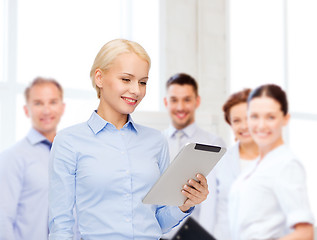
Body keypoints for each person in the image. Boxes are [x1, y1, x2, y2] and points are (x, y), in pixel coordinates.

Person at [48, 39, 209, 240]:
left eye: (143, 82)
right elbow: (60, 226)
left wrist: (185, 204)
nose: (136, 90)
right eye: (126, 79)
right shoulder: (69, 141)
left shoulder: (156, 141)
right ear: (99, 78)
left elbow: (158, 222)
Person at [228, 84, 314, 239]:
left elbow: (305, 233)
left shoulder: (286, 164)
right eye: (254, 116)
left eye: (270, 117)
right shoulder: (256, 166)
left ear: (285, 118)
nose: (261, 125)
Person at [161, 73, 225, 239]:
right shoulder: (156, 142)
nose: (180, 107)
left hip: (195, 236)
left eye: (187, 99)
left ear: (197, 101)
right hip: (160, 234)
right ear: (166, 102)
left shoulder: (214, 143)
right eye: (174, 100)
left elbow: (218, 199)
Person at [0, 77, 65, 240]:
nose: (46, 110)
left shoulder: (70, 155)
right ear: (26, 109)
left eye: (53, 102)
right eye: (38, 103)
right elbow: (3, 219)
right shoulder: (12, 157)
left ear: (62, 107)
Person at [207, 88, 259, 239]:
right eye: (236, 121)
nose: (243, 126)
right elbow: (210, 212)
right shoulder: (219, 161)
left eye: (249, 118)